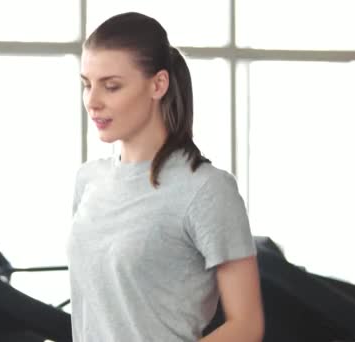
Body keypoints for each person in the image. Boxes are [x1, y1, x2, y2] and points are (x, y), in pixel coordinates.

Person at [67, 12, 264, 342]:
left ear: (158, 84)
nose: (93, 102)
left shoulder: (207, 189)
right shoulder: (89, 180)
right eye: (87, 85)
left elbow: (246, 327)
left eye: (111, 86)